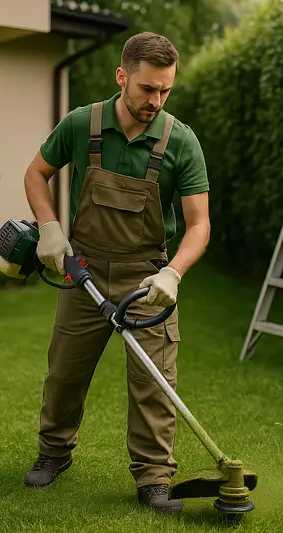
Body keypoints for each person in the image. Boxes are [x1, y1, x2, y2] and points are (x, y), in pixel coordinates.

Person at [21, 31, 211, 514]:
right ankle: (53, 453)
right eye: (148, 88)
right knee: (65, 373)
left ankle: (154, 478)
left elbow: (199, 224)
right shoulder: (81, 124)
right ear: (122, 76)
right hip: (82, 269)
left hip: (147, 279)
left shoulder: (181, 141)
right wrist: (49, 227)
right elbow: (36, 173)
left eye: (165, 90)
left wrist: (173, 273)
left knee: (154, 382)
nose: (156, 101)